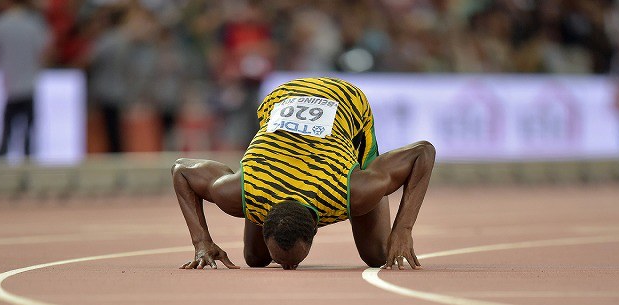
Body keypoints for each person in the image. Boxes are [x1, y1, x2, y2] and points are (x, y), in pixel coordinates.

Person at [172, 77, 435, 271]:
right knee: (256, 259)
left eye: (292, 262)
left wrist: (403, 229)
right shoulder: (235, 192)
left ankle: (361, 169)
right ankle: (258, 194)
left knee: (378, 255)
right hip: (280, 98)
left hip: (345, 100)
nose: (288, 269)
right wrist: (201, 242)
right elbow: (181, 169)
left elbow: (423, 151)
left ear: (317, 230)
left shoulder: (351, 192)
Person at [0, 0, 50, 160]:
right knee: (28, 130)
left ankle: (3, 158)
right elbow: (43, 54)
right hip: (29, 84)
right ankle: (28, 159)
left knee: (7, 128)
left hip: (10, 86)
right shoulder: (34, 24)